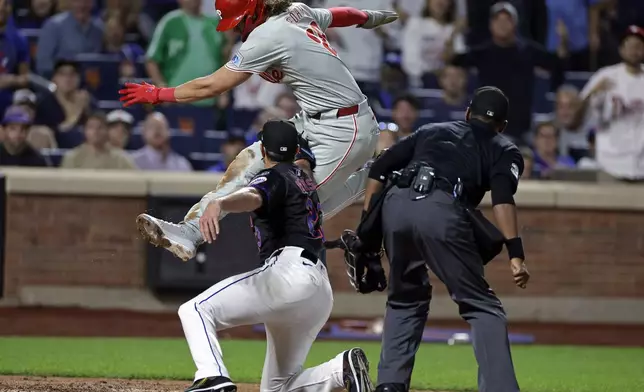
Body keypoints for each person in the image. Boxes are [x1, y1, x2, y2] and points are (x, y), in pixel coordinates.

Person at [120, 0, 398, 261]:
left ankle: (376, 176)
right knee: (248, 161)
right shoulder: (295, 10)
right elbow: (337, 15)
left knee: (297, 213)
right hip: (311, 119)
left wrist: (158, 94)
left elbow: (213, 86)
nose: (237, 29)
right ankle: (189, 231)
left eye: (238, 22)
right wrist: (367, 17)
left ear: (253, 11)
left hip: (346, 129)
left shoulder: (268, 35)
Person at [353, 86, 529, 392]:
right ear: (502, 125)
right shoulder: (504, 148)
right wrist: (516, 254)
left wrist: (367, 228)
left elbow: (380, 168)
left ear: (467, 113)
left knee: (405, 297)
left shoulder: (431, 130)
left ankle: (390, 385)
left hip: (396, 204)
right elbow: (502, 198)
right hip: (441, 209)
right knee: (481, 304)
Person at [177, 120, 373, 392]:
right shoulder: (306, 181)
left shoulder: (275, 174)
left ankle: (212, 377)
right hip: (318, 291)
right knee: (278, 388)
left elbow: (253, 196)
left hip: (288, 274)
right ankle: (341, 370)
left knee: (195, 310)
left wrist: (221, 202)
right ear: (295, 151)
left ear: (264, 151)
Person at [446, 2, 564, 142]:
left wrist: (563, 41)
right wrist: (454, 34)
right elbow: (451, 60)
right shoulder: (482, 53)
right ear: (491, 24)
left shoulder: (528, 51)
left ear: (515, 24)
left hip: (521, 127)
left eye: (507, 20)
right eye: (498, 20)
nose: (502, 24)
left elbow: (557, 63)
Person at [576, 25, 644, 182]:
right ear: (621, 49)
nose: (634, 50)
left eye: (639, 46)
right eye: (630, 45)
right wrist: (593, 94)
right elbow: (579, 114)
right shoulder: (605, 76)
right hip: (611, 164)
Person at [35, 0, 103, 77]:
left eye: (86, 1)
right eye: (77, 1)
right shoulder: (53, 26)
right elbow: (43, 65)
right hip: (60, 85)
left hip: (92, 84)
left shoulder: (99, 29)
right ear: (70, 2)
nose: (82, 5)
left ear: (92, 3)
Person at [61, 111, 137, 170]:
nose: (95, 131)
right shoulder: (72, 157)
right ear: (85, 131)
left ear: (107, 131)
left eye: (100, 127)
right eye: (91, 127)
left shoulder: (121, 158)